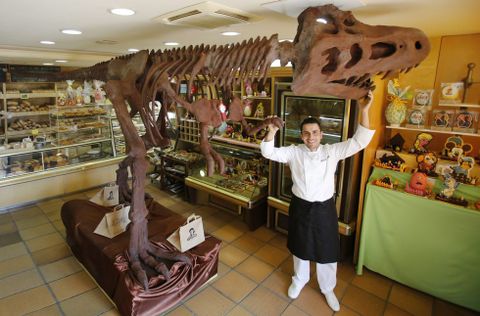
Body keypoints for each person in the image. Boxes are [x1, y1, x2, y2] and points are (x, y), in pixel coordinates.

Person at [260, 91, 375, 312]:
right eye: (306, 134)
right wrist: (271, 132)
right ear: (301, 136)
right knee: (300, 247)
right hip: (301, 207)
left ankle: (327, 287)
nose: (310, 137)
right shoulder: (294, 152)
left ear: (321, 134)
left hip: (324, 208)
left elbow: (361, 140)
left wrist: (365, 110)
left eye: (314, 133)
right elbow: (267, 152)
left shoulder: (331, 151)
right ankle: (299, 279)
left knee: (327, 249)